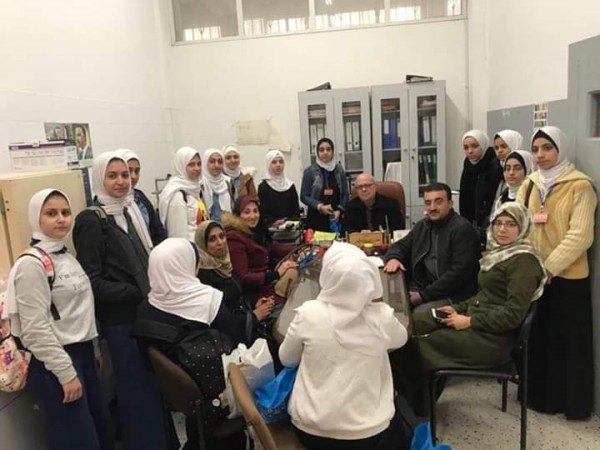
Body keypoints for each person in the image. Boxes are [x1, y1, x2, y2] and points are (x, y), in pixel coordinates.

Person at [392, 203, 546, 415]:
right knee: (411, 323)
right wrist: (456, 308)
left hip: (492, 340)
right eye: (498, 223)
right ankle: (421, 400)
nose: (502, 229)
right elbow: (482, 296)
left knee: (409, 348)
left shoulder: (524, 263)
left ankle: (417, 411)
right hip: (474, 320)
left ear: (523, 227)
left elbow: (513, 316)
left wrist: (470, 321)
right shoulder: (499, 254)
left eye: (511, 224)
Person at [4, 189, 114, 450]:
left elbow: (81, 310)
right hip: (56, 362)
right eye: (51, 213)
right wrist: (66, 373)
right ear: (36, 217)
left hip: (83, 355)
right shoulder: (32, 264)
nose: (61, 219)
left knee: (101, 432)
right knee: (77, 440)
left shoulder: (65, 256)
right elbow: (35, 329)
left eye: (66, 212)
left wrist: (93, 349)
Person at [73, 152, 169, 450]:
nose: (121, 181)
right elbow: (92, 280)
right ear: (99, 178)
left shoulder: (130, 211)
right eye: (112, 175)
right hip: (120, 321)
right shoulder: (91, 221)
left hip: (144, 313)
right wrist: (134, 290)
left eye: (125, 175)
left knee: (153, 386)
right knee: (135, 390)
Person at [279, 242, 408, 450]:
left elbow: (287, 359)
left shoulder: (308, 314)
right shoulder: (382, 317)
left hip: (310, 430)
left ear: (327, 276)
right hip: (368, 434)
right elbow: (401, 339)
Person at [517, 126, 597, 420]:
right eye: (535, 149)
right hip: (535, 275)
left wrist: (548, 268)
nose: (540, 155)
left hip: (567, 278)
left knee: (567, 343)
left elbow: (581, 236)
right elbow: (519, 222)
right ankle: (539, 399)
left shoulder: (580, 186)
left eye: (547, 148)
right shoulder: (529, 184)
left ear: (560, 149)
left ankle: (570, 404)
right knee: (538, 338)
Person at [134, 238, 243, 450]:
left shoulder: (144, 309)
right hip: (220, 396)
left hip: (180, 396)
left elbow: (147, 362)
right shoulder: (208, 301)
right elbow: (239, 345)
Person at [383, 183, 480, 312]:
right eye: (428, 203)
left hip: (455, 295)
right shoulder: (423, 226)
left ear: (450, 204)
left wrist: (423, 296)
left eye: (438, 202)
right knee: (388, 304)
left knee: (413, 315)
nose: (432, 207)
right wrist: (394, 258)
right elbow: (401, 245)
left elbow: (457, 275)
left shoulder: (463, 229)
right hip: (424, 287)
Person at [195, 220, 275, 343]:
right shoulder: (203, 277)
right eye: (212, 239)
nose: (220, 242)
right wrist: (254, 316)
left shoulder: (225, 266)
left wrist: (254, 306)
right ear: (202, 244)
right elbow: (220, 321)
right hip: (230, 339)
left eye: (222, 236)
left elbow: (236, 297)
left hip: (245, 324)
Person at [222, 196, 297, 306]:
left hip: (267, 286)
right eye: (246, 212)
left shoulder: (257, 231)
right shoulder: (234, 238)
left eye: (255, 211)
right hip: (256, 295)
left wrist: (303, 247)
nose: (253, 216)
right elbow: (243, 278)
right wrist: (276, 274)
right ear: (238, 215)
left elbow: (275, 247)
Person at [117, 148, 167, 246]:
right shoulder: (111, 205)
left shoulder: (139, 197)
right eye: (128, 171)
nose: (134, 176)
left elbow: (156, 229)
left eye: (137, 171)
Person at [159, 146, 207, 240]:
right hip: (189, 246)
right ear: (181, 166)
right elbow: (177, 235)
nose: (197, 168)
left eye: (199, 164)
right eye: (191, 165)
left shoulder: (196, 189)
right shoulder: (177, 195)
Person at [300, 137, 348, 232]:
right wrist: (319, 206)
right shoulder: (310, 171)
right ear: (317, 153)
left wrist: (339, 210)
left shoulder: (339, 170)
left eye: (328, 149)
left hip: (336, 217)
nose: (325, 152)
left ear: (332, 151)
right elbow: (304, 196)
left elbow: (345, 194)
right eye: (321, 150)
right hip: (316, 217)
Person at [459, 130, 503, 233]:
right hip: (471, 219)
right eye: (466, 148)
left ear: (483, 145)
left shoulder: (495, 165)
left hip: (491, 220)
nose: (470, 151)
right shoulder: (468, 164)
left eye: (475, 146)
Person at [257, 150, 300, 226]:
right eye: (274, 162)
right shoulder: (263, 187)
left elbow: (296, 209)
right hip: (271, 228)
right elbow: (263, 212)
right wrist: (274, 223)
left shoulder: (290, 185)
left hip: (290, 227)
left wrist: (289, 223)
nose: (278, 165)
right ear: (268, 164)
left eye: (281, 162)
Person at [201, 148, 234, 223]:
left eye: (220, 162)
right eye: (212, 161)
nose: (217, 165)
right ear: (205, 163)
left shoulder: (228, 182)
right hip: (207, 226)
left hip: (227, 225)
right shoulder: (200, 184)